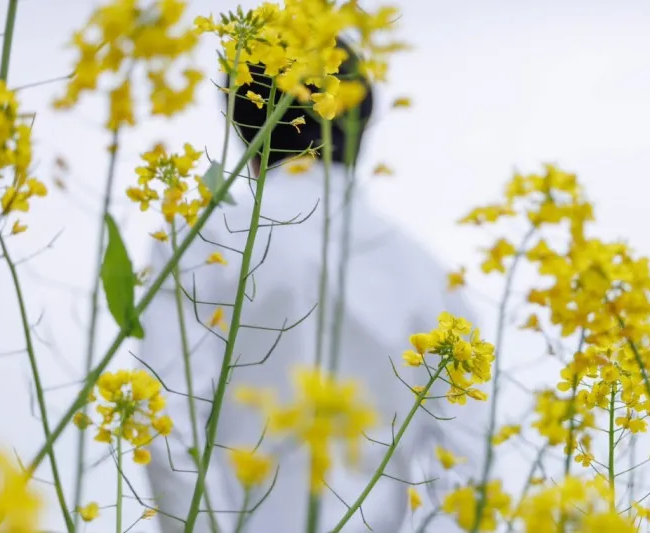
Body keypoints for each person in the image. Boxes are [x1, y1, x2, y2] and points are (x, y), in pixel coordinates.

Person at [141, 39, 484, 532]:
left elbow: (163, 425)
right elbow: (466, 474)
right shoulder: (432, 278)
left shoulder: (204, 239)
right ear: (361, 120)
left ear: (244, 123)